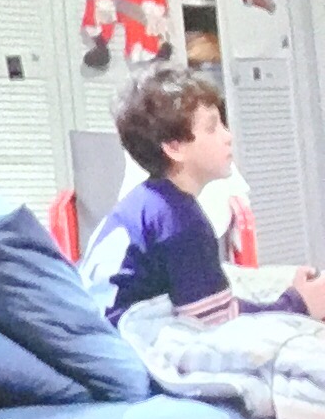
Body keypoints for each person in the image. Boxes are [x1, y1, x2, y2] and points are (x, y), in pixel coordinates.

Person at [89, 63, 324, 327]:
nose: (228, 136)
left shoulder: (147, 201)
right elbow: (218, 323)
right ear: (174, 148)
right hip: (126, 343)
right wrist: (298, 304)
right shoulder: (180, 220)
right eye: (212, 128)